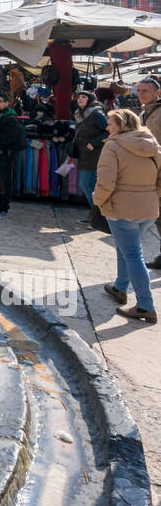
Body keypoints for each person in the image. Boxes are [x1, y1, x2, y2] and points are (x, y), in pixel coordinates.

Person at [93, 108, 161, 325]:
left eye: (110, 123)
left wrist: (98, 200)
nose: (107, 127)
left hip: (122, 209)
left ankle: (145, 305)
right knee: (127, 249)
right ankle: (120, 287)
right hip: (148, 208)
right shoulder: (152, 144)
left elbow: (106, 181)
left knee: (132, 254)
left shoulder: (113, 145)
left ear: (121, 125)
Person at [0, 93, 25, 219]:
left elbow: (8, 138)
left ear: (7, 103)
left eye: (0, 101)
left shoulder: (10, 117)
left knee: (5, 182)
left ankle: (3, 209)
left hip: (5, 154)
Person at [137, 77, 161, 269]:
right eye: (139, 90)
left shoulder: (159, 113)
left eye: (146, 90)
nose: (141, 94)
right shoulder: (144, 112)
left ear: (157, 93)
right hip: (149, 171)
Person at [70, 91, 108, 210]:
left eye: (84, 97)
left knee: (86, 184)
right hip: (83, 155)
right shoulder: (79, 114)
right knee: (88, 185)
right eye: (78, 97)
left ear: (90, 100)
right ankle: (96, 214)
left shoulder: (96, 114)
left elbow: (110, 131)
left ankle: (98, 215)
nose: (80, 99)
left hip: (95, 155)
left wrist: (94, 142)